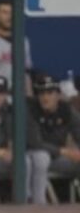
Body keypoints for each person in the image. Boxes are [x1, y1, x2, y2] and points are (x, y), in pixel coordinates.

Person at [29, 74, 80, 205]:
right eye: (42, 93)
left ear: (58, 95)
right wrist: (64, 151)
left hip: (58, 160)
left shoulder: (66, 110)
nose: (45, 97)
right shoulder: (31, 109)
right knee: (41, 157)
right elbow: (35, 143)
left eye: (50, 93)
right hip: (33, 157)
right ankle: (38, 206)